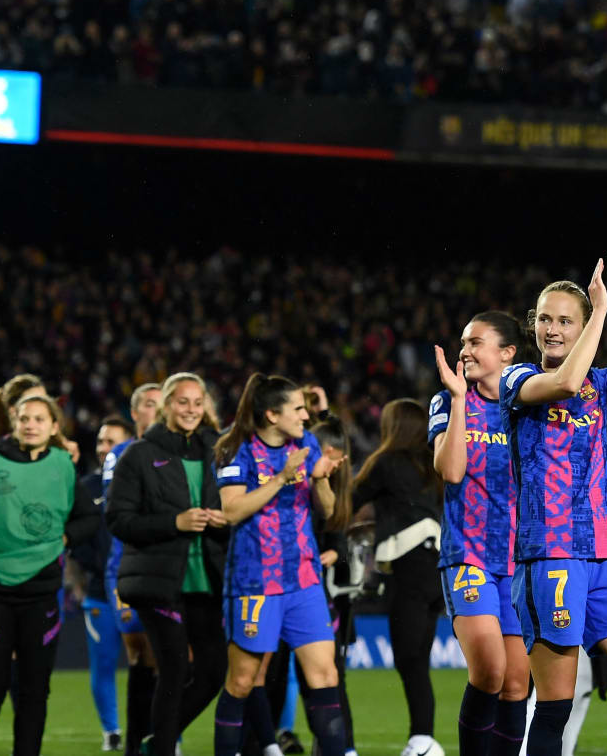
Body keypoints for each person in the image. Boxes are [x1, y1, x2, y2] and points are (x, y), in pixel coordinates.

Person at [503, 252, 607, 756]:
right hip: (551, 553)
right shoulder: (518, 379)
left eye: (564, 321)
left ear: (579, 329)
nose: (552, 329)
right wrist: (598, 314)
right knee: (554, 705)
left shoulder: (602, 384)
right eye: (545, 319)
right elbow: (564, 384)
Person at [0, 392, 98, 756]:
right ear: (13, 423)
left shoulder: (63, 465)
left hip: (43, 592)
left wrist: (66, 536)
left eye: (39, 420)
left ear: (54, 427)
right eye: (24, 418)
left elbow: (89, 518)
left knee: (34, 688)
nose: (31, 425)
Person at [210, 374, 346, 756]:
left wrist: (320, 481)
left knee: (325, 674)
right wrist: (283, 477)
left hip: (304, 579)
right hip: (255, 583)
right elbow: (232, 510)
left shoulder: (307, 442)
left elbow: (330, 510)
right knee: (242, 680)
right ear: (272, 414)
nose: (306, 415)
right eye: (298, 408)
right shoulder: (234, 449)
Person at [106, 373, 230, 756]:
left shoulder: (220, 450)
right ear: (166, 406)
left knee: (212, 673)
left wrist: (228, 517)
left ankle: (153, 743)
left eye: (197, 402)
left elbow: (238, 502)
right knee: (174, 671)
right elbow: (119, 520)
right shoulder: (140, 454)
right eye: (182, 402)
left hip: (206, 579)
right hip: (159, 581)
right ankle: (159, 747)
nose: (191, 410)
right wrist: (173, 523)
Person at [429, 310, 528, 756]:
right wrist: (454, 400)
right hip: (467, 555)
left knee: (516, 683)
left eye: (476, 342)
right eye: (463, 342)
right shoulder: (448, 401)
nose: (464, 351)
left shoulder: (525, 406)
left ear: (507, 353)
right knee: (489, 670)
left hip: (518, 560)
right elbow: (450, 471)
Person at [354, 399, 443, 756]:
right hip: (439, 568)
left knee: (409, 660)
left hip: (408, 569)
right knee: (417, 660)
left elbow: (349, 499)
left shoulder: (385, 461)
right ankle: (422, 738)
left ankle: (423, 741)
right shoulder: (432, 462)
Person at [70, 415, 135, 752]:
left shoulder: (144, 482)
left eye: (112, 442)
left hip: (138, 588)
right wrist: (80, 584)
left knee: (149, 663)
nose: (103, 449)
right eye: (100, 441)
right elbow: (75, 540)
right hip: (99, 592)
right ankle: (111, 730)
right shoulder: (88, 487)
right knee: (104, 664)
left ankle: (157, 730)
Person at [105, 382, 163, 756]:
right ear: (135, 412)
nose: (155, 411)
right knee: (140, 652)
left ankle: (159, 738)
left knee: (167, 658)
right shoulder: (120, 454)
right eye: (148, 404)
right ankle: (135, 743)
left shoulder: (176, 452)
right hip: (125, 565)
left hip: (165, 565)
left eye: (161, 404)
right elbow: (117, 511)